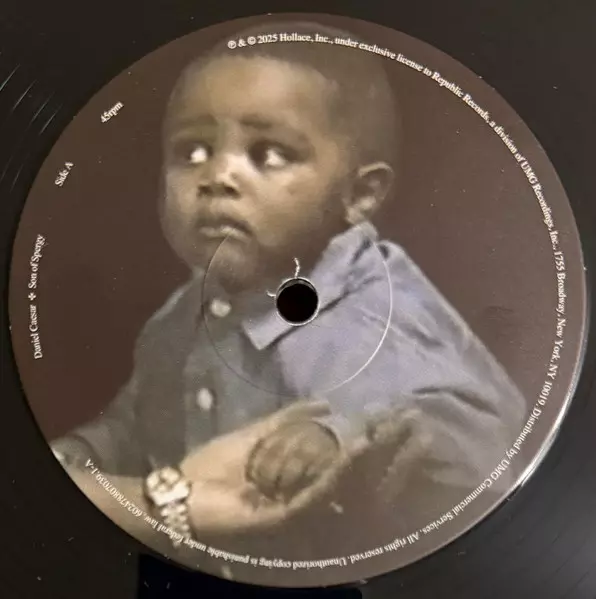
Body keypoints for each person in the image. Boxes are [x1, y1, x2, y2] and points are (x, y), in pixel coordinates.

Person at [51, 23, 526, 565]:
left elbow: (482, 440)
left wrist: (337, 434)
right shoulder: (183, 314)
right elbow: (137, 426)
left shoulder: (382, 315)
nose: (218, 175)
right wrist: (81, 455)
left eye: (270, 153)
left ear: (360, 194)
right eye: (192, 150)